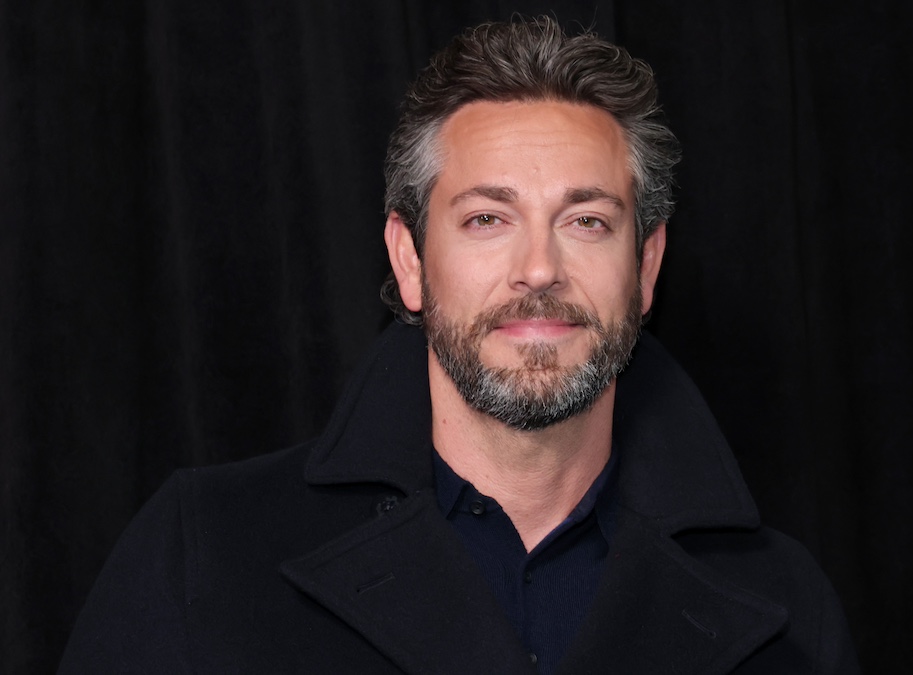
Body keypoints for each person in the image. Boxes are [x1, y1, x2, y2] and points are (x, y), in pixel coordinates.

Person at [60, 17, 858, 674]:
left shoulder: (786, 608)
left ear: (646, 269)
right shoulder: (206, 556)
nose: (539, 267)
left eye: (586, 221)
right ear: (410, 261)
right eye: (487, 219)